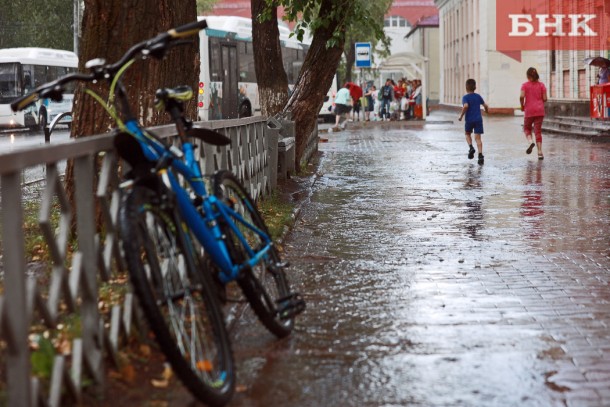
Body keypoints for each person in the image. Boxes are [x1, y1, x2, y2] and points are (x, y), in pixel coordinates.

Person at [458, 78, 489, 165]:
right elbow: (485, 105)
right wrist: (487, 111)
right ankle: (480, 155)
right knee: (478, 138)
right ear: (475, 87)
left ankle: (471, 147)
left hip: (469, 120)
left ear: (466, 87)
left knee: (467, 134)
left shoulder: (465, 97)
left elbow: (466, 106)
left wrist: (461, 116)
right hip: (478, 119)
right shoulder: (478, 96)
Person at [520, 67, 547, 160]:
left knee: (527, 128)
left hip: (529, 110)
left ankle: (530, 141)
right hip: (540, 110)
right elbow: (545, 99)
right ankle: (540, 152)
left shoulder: (525, 85)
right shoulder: (542, 85)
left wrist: (522, 105)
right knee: (538, 131)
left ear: (528, 76)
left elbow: (521, 96)